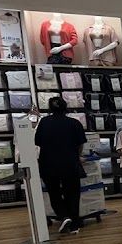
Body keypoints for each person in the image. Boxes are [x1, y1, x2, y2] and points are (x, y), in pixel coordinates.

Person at [34, 96, 87, 234]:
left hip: (48, 163)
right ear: (65, 107)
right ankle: (74, 224)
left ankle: (64, 216)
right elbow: (80, 144)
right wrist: (76, 156)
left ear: (50, 108)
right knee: (72, 193)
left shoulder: (44, 122)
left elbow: (38, 142)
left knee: (54, 192)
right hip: (69, 163)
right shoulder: (74, 123)